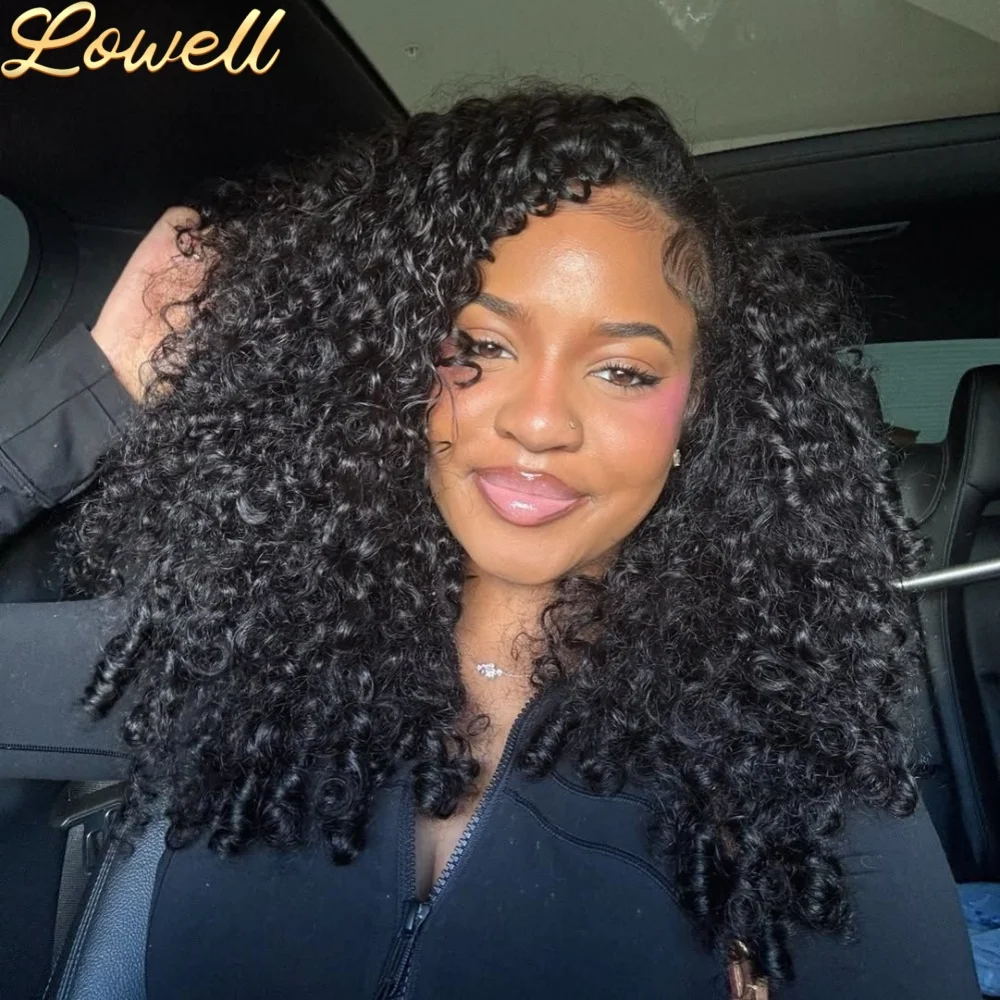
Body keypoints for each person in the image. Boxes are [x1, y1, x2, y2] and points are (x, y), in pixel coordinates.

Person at [18, 84, 984, 998]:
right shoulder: (237, 651)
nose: (538, 420)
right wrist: (95, 390)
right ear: (392, 371)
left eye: (623, 371)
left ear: (700, 416)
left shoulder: (791, 774)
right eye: (479, 347)